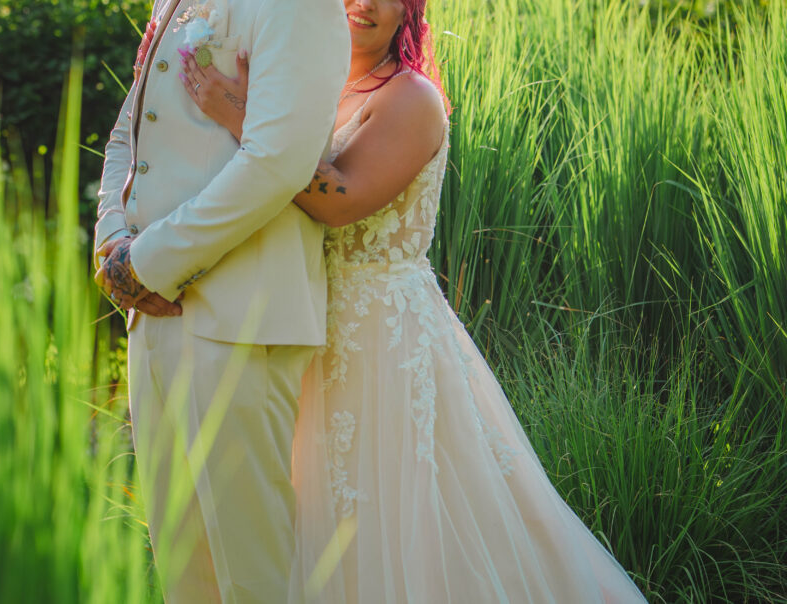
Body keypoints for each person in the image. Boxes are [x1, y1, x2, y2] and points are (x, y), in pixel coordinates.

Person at [174, 0, 650, 601]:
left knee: (389, 513)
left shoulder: (411, 98)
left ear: (409, 11)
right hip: (303, 323)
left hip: (380, 338)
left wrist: (239, 115)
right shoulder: (311, 84)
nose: (364, 4)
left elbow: (340, 198)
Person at [93, 0, 350, 601]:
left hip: (241, 322)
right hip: (151, 315)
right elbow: (129, 131)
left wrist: (151, 263)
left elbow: (277, 160)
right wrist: (112, 242)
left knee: (253, 576)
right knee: (184, 571)